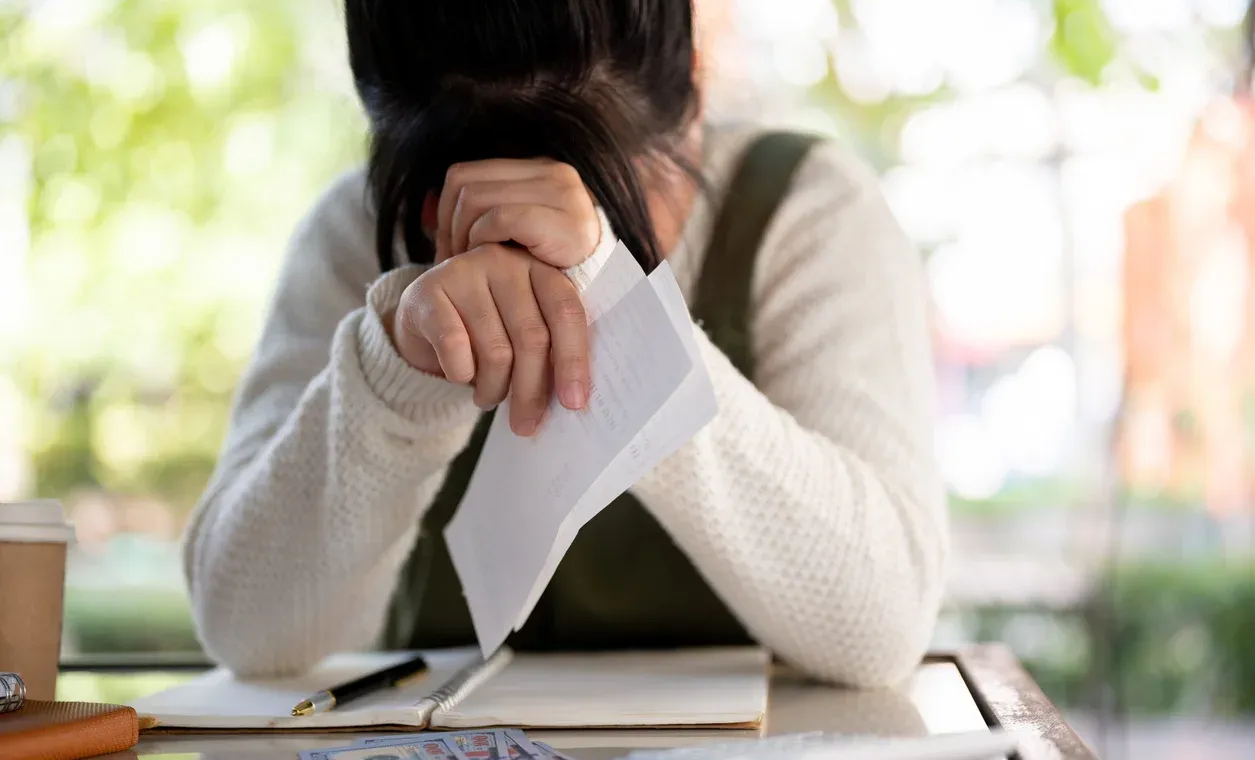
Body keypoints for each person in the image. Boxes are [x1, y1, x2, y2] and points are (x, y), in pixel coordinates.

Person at [182, 0, 948, 687]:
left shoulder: (804, 212)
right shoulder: (352, 237)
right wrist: (398, 375)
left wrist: (619, 312)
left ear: (695, 82)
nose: (529, 257)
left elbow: (882, 626)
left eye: (615, 202)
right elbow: (250, 637)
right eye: (451, 208)